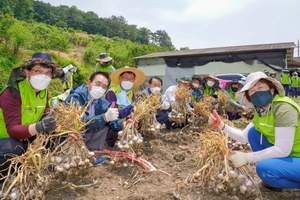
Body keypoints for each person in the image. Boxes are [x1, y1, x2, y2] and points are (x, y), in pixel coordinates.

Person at [208, 71, 300, 191]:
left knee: (264, 169)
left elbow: (282, 149)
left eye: (260, 87)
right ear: (249, 97)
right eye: (252, 91)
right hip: (290, 156)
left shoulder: (284, 108)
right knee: (253, 134)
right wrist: (221, 125)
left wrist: (247, 157)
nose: (256, 92)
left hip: (294, 155)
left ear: (271, 90)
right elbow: (244, 137)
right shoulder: (261, 112)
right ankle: (272, 184)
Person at [0, 52, 64, 177]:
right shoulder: (12, 93)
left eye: (47, 73)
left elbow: (44, 114)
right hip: (5, 139)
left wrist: (59, 126)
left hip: (25, 135)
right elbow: (12, 130)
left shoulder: (43, 92)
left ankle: (28, 170)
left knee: (51, 139)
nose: (43, 76)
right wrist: (40, 127)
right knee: (13, 149)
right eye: (38, 71)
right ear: (27, 72)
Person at [64, 71, 128, 153]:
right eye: (97, 84)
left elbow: (111, 119)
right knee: (103, 120)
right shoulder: (76, 97)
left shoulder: (101, 102)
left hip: (86, 135)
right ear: (89, 83)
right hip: (71, 136)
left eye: (104, 87)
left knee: (105, 126)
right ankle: (73, 152)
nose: (100, 88)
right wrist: (104, 117)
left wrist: (123, 124)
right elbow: (79, 121)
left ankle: (91, 152)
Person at [105, 66, 146, 148]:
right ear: (120, 78)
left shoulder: (132, 93)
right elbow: (114, 115)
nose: (128, 81)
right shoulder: (112, 93)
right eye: (126, 78)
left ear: (134, 81)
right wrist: (132, 106)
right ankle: (109, 146)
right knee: (113, 132)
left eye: (131, 79)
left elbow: (134, 111)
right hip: (114, 123)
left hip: (128, 122)